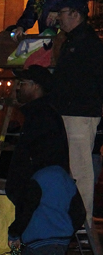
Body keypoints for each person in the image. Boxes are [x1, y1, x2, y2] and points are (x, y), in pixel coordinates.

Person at [7, 66, 69, 255]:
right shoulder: (38, 115)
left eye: (22, 82)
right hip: (35, 197)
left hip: (38, 201)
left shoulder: (43, 117)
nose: (17, 87)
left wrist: (28, 195)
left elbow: (40, 163)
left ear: (36, 86)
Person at [51, 0, 103, 227]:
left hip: (80, 113)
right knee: (72, 168)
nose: (58, 17)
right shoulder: (73, 41)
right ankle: (75, 221)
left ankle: (84, 223)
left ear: (75, 14)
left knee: (80, 169)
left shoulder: (87, 43)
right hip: (73, 111)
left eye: (62, 12)